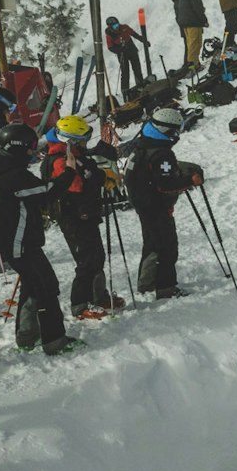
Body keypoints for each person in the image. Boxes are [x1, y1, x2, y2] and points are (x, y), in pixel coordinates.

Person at [0, 123, 76, 355]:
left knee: (32, 285)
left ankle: (26, 335)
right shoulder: (15, 177)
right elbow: (47, 191)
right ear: (18, 147)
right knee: (46, 287)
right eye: (30, 147)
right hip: (19, 243)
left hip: (10, 239)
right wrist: (69, 173)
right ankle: (54, 340)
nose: (33, 151)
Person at [43, 116, 121, 317]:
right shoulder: (60, 160)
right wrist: (101, 178)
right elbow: (76, 186)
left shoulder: (74, 154)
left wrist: (103, 175)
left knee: (97, 256)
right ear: (72, 141)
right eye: (82, 140)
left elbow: (87, 169)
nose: (85, 143)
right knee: (86, 260)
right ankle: (80, 304)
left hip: (87, 213)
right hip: (73, 217)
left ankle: (98, 296)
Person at [125, 107, 200, 300]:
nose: (177, 135)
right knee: (166, 247)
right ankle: (165, 287)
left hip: (144, 204)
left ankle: (147, 283)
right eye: (175, 130)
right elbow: (165, 184)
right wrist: (189, 181)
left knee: (152, 244)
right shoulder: (161, 154)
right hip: (155, 207)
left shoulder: (141, 146)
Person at [173, 0, 208, 76]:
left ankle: (195, 65)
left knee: (191, 44)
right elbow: (197, 8)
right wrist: (204, 20)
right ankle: (191, 67)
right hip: (193, 22)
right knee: (195, 44)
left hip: (187, 23)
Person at [103, 16, 145, 95]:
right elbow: (110, 47)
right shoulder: (109, 34)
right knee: (125, 71)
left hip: (131, 48)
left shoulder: (124, 27)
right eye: (114, 26)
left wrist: (143, 40)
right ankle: (125, 90)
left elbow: (134, 34)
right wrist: (120, 49)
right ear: (110, 27)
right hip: (122, 53)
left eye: (117, 24)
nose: (117, 27)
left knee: (137, 68)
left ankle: (140, 85)